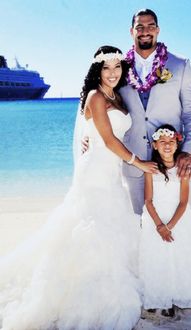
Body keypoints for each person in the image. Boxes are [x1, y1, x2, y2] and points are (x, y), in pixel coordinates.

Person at [0, 46, 157, 330]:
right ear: (97, 70)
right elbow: (108, 140)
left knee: (112, 228)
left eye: (117, 67)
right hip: (97, 170)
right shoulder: (97, 97)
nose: (112, 73)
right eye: (106, 68)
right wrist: (140, 164)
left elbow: (105, 134)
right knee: (92, 228)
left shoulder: (117, 95)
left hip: (111, 172)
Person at [119, 9, 191, 215]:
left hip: (173, 160)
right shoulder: (118, 68)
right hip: (134, 162)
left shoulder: (179, 64)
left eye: (150, 26)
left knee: (176, 223)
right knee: (137, 225)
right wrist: (89, 136)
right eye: (140, 27)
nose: (145, 31)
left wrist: (189, 152)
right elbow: (102, 103)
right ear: (132, 31)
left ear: (158, 30)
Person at [139, 124, 191, 316]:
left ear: (177, 144)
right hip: (155, 218)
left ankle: (178, 294)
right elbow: (148, 200)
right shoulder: (150, 169)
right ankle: (158, 297)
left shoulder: (182, 168)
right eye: (162, 142)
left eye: (171, 142)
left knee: (178, 256)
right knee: (156, 257)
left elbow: (184, 202)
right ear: (154, 145)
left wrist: (169, 226)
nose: (167, 146)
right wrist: (160, 226)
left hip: (178, 219)